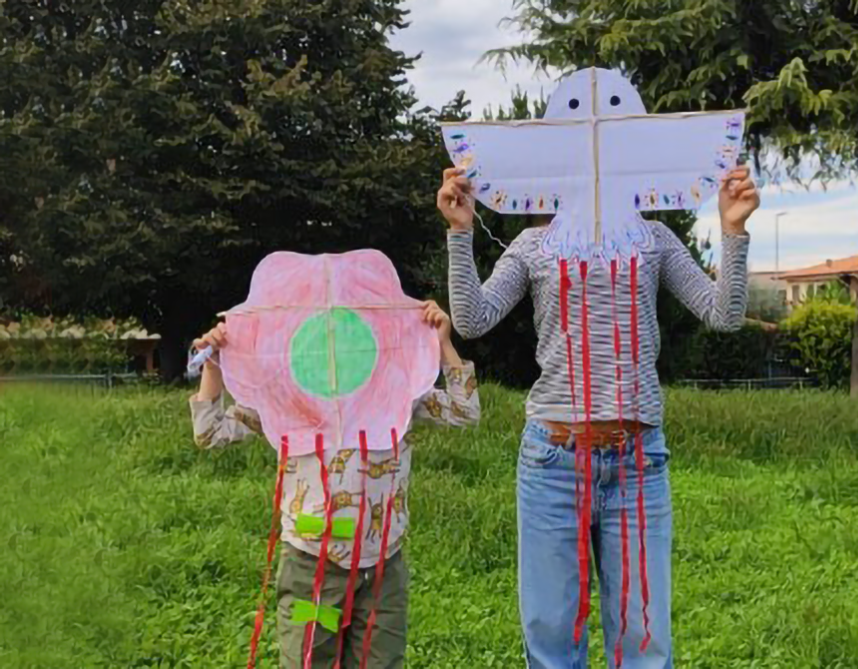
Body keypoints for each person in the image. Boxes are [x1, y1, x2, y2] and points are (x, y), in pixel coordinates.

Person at [438, 166, 758, 668]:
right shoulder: (532, 245)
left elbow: (725, 314)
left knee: (645, 645)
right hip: (552, 464)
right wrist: (460, 231)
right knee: (551, 643)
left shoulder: (653, 239)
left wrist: (733, 230)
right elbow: (473, 319)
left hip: (638, 466)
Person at [189, 300, 480, 669]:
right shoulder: (287, 392)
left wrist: (441, 343)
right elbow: (209, 433)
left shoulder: (396, 387)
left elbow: (464, 411)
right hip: (313, 568)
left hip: (382, 573)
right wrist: (213, 366)